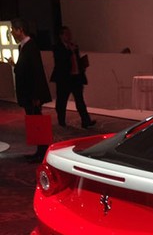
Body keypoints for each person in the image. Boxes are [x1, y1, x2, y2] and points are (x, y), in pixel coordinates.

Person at [8, 18, 52, 162]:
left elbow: (36, 72)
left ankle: (42, 152)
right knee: (34, 122)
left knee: (37, 122)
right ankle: (40, 151)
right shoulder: (24, 46)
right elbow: (26, 70)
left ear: (20, 30)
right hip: (28, 94)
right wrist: (15, 65)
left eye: (13, 30)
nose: (12, 33)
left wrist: (36, 95)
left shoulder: (30, 46)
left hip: (32, 94)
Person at [50, 26, 96, 129]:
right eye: (66, 34)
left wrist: (82, 67)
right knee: (62, 101)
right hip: (64, 79)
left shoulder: (74, 46)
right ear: (61, 36)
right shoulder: (57, 47)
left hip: (76, 77)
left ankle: (86, 121)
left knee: (80, 101)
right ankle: (61, 121)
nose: (69, 36)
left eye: (69, 34)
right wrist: (70, 51)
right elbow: (61, 61)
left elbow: (76, 60)